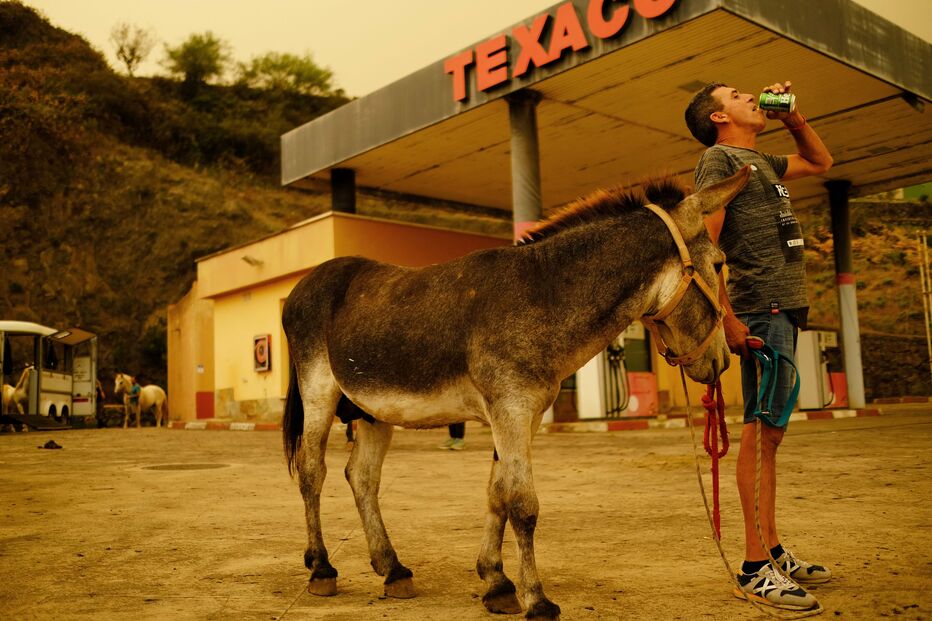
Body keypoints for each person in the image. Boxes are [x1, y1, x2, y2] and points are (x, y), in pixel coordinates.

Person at [685, 81, 834, 611]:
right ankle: (753, 568)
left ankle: (772, 549)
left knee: (770, 436)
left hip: (783, 309)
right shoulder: (719, 160)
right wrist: (725, 319)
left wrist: (794, 116)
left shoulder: (762, 161)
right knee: (758, 431)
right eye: (739, 95)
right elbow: (703, 244)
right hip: (759, 311)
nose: (753, 98)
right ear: (719, 117)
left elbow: (819, 161)